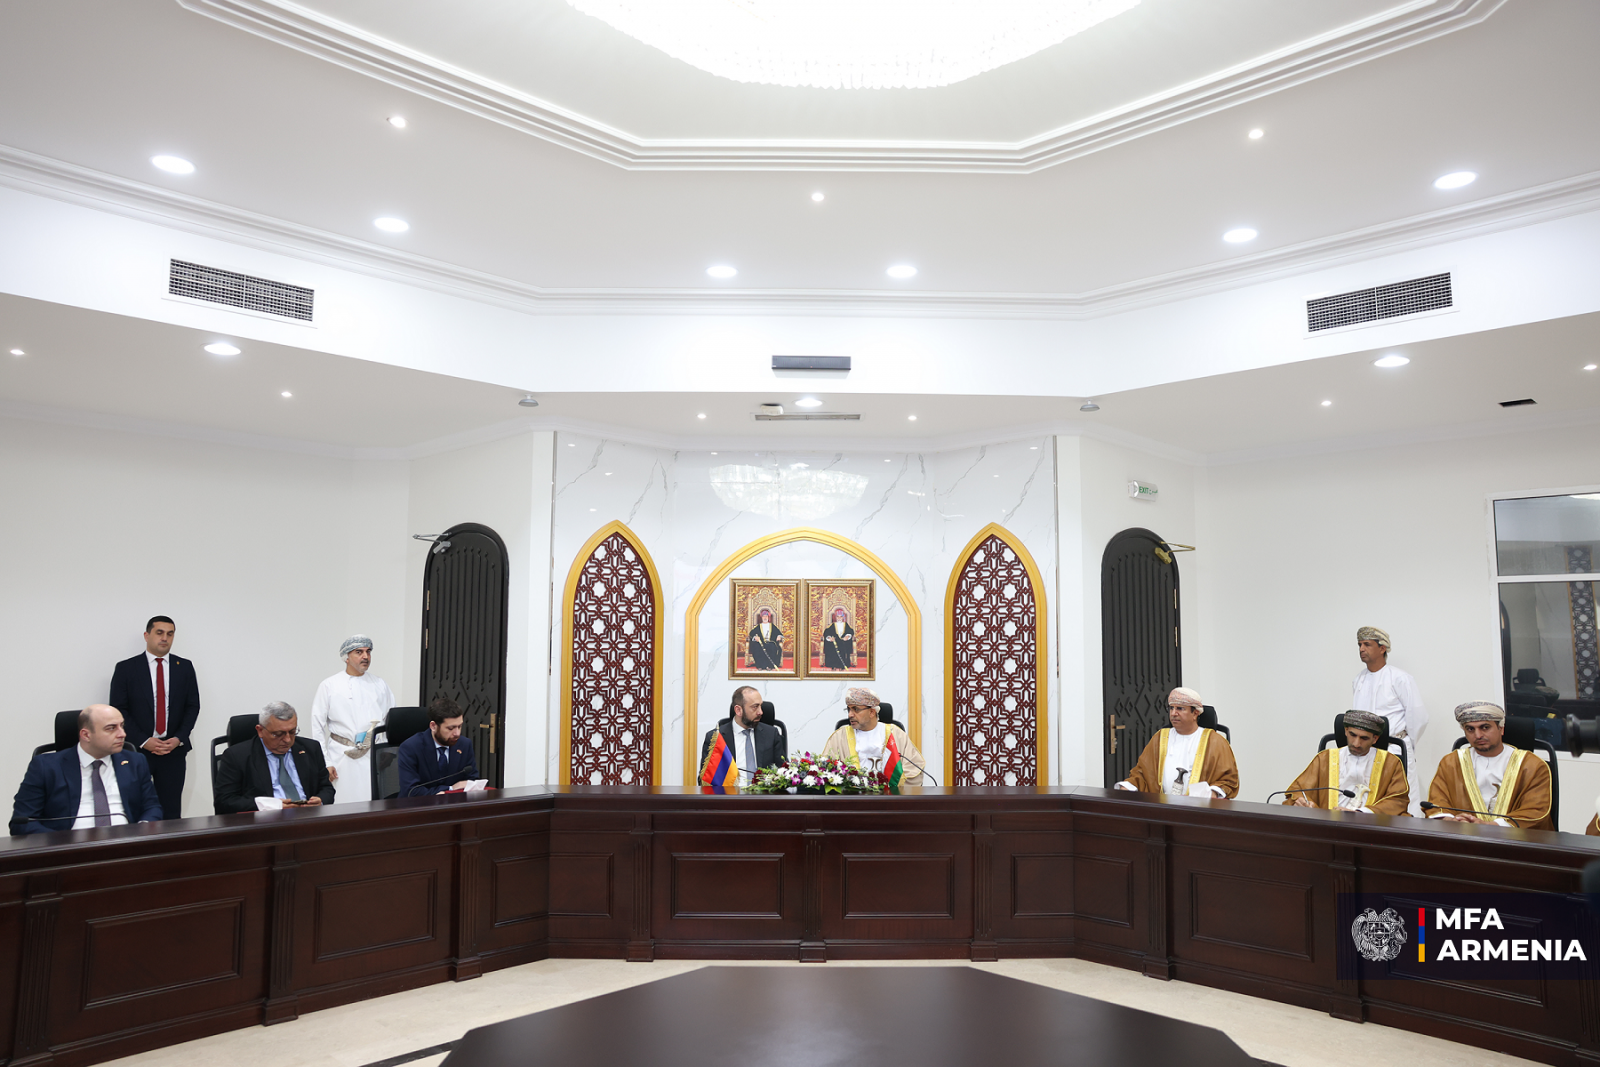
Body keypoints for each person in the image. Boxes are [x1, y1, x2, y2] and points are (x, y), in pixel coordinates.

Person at [10, 705, 164, 834]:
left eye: (122, 726)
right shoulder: (46, 766)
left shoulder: (135, 762)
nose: (122, 734)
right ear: (86, 735)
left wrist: (142, 829)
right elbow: (22, 822)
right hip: (68, 850)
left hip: (126, 845)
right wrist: (60, 844)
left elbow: (152, 807)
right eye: (111, 728)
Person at [107, 615, 201, 820]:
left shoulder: (184, 667)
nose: (165, 638)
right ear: (146, 635)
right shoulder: (126, 668)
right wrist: (143, 740)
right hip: (136, 750)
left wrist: (178, 738)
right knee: (132, 808)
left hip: (172, 751)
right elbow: (119, 710)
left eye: (170, 634)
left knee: (170, 813)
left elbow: (192, 706)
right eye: (159, 633)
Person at [1426, 701, 1552, 829]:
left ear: (1501, 729)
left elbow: (1536, 811)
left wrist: (1490, 826)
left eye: (1485, 727)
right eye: (1470, 729)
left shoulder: (1532, 765)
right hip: (1463, 835)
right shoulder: (1451, 762)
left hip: (1514, 838)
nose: (1478, 735)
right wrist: (1451, 820)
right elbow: (1437, 803)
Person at [1350, 626, 1428, 814]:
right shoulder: (1358, 680)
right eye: (1360, 645)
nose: (1361, 649)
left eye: (1367, 644)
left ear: (1382, 648)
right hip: (1366, 749)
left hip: (1395, 747)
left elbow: (1418, 717)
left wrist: (1407, 744)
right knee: (1366, 797)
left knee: (1403, 799)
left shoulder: (1400, 678)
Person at [309, 635, 395, 803]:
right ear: (346, 657)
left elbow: (390, 719)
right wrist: (325, 762)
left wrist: (387, 750)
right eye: (359, 652)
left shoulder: (380, 684)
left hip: (374, 756)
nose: (366, 656)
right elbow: (317, 726)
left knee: (373, 804)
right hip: (341, 757)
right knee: (342, 805)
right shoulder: (329, 685)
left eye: (368, 652)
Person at [1114, 687, 1239, 799]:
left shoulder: (1215, 741)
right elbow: (1142, 774)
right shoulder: (1160, 738)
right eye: (1171, 708)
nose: (1174, 713)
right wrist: (1127, 787)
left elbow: (1228, 780)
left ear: (1195, 713)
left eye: (1180, 708)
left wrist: (1212, 793)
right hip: (1161, 807)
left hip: (1199, 810)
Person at [214, 702, 335, 814]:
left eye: (292, 732)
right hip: (266, 822)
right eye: (278, 734)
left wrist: (321, 800)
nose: (287, 739)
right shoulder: (237, 756)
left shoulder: (311, 748)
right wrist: (269, 805)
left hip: (308, 818)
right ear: (260, 730)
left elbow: (326, 788)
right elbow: (223, 802)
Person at [1282, 710, 1410, 815]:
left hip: (1370, 826)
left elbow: (1398, 800)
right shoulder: (1325, 758)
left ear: (1375, 739)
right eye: (1352, 735)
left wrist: (1360, 813)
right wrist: (1303, 802)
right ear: (1346, 731)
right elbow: (1298, 791)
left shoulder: (1391, 763)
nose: (1356, 743)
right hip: (1328, 824)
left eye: (1364, 738)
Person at [819, 687, 925, 786]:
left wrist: (890, 786)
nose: (850, 715)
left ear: (872, 712)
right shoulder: (840, 736)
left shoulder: (895, 734)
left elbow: (914, 768)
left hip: (889, 797)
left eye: (856, 709)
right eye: (849, 710)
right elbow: (826, 769)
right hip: (853, 796)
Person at [699, 686, 786, 786]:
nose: (760, 712)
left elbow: (783, 771)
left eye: (760, 706)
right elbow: (706, 780)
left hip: (764, 793)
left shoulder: (771, 734)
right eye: (755, 707)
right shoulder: (716, 738)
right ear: (738, 710)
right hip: (729, 793)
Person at [396, 698, 480, 797]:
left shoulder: (464, 745)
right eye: (451, 728)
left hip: (455, 804)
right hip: (420, 805)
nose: (457, 733)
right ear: (433, 726)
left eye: (459, 726)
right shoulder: (410, 748)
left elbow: (472, 781)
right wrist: (450, 789)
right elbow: (411, 791)